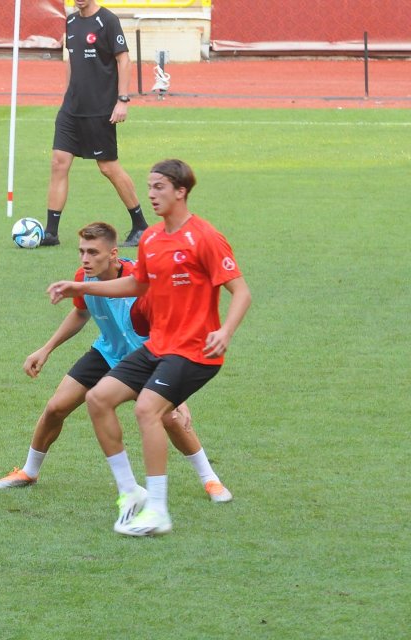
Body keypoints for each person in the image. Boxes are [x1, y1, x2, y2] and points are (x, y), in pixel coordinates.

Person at [48, 159, 251, 536]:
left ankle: (158, 510)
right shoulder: (152, 240)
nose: (151, 194)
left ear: (181, 191)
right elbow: (137, 286)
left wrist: (225, 331)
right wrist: (80, 287)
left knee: (147, 409)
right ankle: (131, 493)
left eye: (159, 187)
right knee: (98, 398)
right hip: (159, 346)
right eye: (150, 186)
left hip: (195, 351)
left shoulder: (204, 237)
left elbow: (241, 291)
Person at [0, 222, 232, 506]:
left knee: (170, 417)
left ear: (113, 254)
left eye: (93, 252)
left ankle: (210, 479)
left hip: (148, 355)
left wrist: (177, 394)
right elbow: (80, 314)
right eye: (81, 251)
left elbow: (167, 332)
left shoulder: (141, 281)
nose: (85, 258)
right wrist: (46, 349)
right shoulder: (84, 277)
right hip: (106, 353)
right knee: (56, 407)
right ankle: (29, 471)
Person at [41, 0, 148, 248]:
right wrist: (67, 95)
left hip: (100, 109)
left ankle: (140, 226)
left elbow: (123, 60)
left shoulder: (108, 21)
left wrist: (122, 100)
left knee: (108, 167)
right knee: (59, 162)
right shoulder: (70, 21)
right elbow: (71, 60)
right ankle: (51, 232)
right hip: (71, 109)